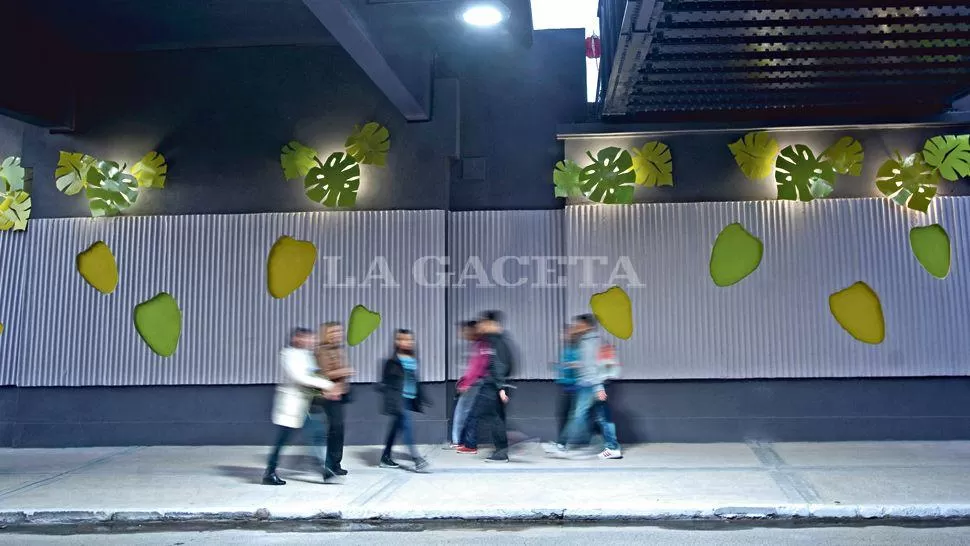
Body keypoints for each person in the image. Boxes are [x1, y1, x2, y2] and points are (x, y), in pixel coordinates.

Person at [263, 328, 341, 486]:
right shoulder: (288, 354)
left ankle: (324, 470)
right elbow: (300, 377)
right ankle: (269, 472)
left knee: (317, 434)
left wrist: (324, 390)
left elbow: (313, 376)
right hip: (291, 405)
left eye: (312, 339)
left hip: (305, 405)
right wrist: (327, 385)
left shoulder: (306, 355)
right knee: (283, 440)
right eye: (308, 339)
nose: (311, 342)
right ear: (297, 338)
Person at [544, 314, 622, 460]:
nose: (576, 327)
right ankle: (612, 447)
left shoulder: (588, 342)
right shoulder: (599, 340)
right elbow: (604, 363)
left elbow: (593, 367)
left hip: (590, 385)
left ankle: (562, 445)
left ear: (587, 326)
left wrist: (597, 386)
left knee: (578, 416)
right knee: (604, 417)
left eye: (579, 325)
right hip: (598, 384)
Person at [457, 310, 515, 463]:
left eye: (483, 322)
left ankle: (499, 451)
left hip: (492, 386)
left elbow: (500, 364)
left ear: (491, 323)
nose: (480, 325)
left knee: (481, 415)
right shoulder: (495, 339)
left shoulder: (496, 341)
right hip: (493, 385)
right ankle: (501, 452)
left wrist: (501, 386)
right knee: (496, 418)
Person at [378, 329, 430, 472]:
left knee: (395, 429)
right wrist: (390, 399)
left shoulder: (413, 359)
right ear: (397, 342)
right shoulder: (392, 362)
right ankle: (416, 459)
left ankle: (385, 457)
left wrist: (423, 396)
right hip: (398, 399)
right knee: (407, 427)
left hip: (409, 398)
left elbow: (415, 380)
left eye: (410, 340)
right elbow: (385, 382)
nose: (408, 342)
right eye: (404, 340)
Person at [315, 322, 354, 476]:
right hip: (328, 395)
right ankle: (330, 465)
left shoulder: (339, 349)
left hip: (339, 394)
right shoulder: (322, 351)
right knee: (335, 428)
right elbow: (324, 374)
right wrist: (344, 370)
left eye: (339, 331)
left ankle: (335, 463)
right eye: (333, 332)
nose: (337, 335)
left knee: (338, 429)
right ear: (326, 334)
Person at [449, 320, 489, 449]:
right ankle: (462, 441)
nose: (463, 334)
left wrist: (466, 383)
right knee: (467, 413)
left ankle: (460, 442)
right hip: (473, 383)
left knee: (464, 413)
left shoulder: (481, 345)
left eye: (466, 331)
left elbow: (477, 367)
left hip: (474, 384)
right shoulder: (478, 345)